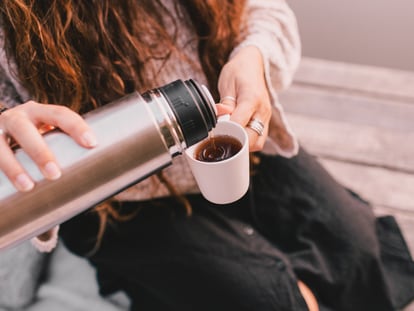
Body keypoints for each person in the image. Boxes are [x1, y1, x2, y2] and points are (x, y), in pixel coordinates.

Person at [0, 1, 413, 310]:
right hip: (115, 200)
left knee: (360, 258)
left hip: (233, 141)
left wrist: (252, 57)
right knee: (275, 301)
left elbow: (261, 8)